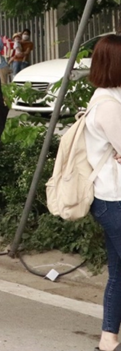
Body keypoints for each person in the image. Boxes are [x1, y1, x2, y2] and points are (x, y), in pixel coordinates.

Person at [83, 35, 121, 351]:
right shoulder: (108, 106)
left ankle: (108, 339)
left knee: (118, 272)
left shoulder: (109, 97)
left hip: (111, 199)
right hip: (114, 200)